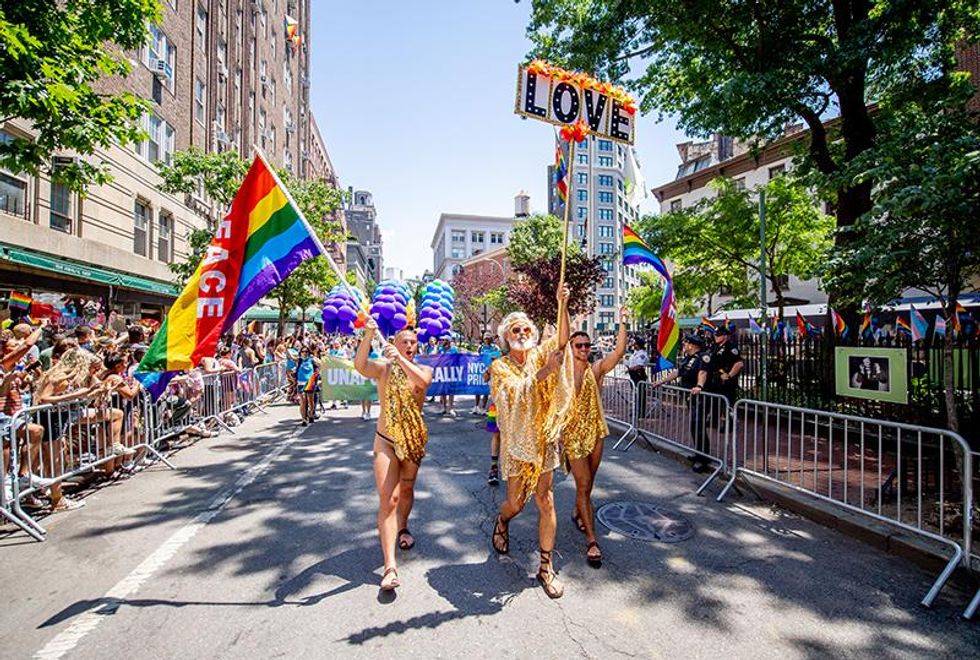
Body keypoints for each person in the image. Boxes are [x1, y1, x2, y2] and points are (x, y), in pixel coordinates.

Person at [490, 285, 572, 599]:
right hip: (515, 445)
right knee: (516, 503)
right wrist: (544, 373)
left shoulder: (540, 353)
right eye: (515, 329)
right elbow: (512, 392)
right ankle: (502, 519)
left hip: (544, 440)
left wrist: (561, 304)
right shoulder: (500, 366)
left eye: (526, 328)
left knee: (546, 500)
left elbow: (562, 341)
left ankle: (545, 567)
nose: (521, 333)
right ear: (506, 336)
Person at [354, 317, 433, 592]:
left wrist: (400, 358)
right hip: (385, 440)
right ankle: (390, 567)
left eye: (413, 342)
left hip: (413, 442)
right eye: (404, 342)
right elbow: (361, 366)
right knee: (390, 499)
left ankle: (403, 527)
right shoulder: (385, 369)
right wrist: (368, 335)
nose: (409, 345)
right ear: (394, 344)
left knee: (407, 491)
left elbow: (422, 381)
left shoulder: (422, 369)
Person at [564, 306, 629, 567]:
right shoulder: (563, 374)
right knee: (582, 484)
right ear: (570, 347)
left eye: (586, 345)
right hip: (572, 435)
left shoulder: (596, 369)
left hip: (596, 433)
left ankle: (579, 511)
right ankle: (592, 540)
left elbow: (620, 352)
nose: (583, 349)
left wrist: (622, 321)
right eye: (578, 345)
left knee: (589, 483)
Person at [656, 334, 712, 472]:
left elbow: (703, 372)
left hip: (700, 397)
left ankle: (703, 459)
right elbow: (677, 372)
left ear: (692, 345)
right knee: (695, 426)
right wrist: (661, 381)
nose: (684, 345)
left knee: (698, 425)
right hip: (690, 398)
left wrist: (699, 386)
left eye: (686, 343)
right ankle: (699, 453)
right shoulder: (688, 358)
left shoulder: (703, 357)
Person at [707, 326, 743, 409]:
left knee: (729, 407)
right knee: (714, 408)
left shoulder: (731, 347)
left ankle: (730, 421)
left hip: (726, 384)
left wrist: (729, 375)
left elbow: (739, 363)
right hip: (715, 382)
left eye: (718, 335)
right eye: (715, 334)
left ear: (725, 336)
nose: (716, 336)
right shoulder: (714, 347)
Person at [474, 332, 499, 415]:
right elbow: (476, 358)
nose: (487, 339)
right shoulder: (480, 347)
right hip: (480, 370)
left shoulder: (494, 348)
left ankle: (483, 408)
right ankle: (476, 406)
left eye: (488, 338)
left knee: (486, 390)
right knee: (477, 389)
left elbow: (497, 357)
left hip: (489, 371)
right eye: (485, 338)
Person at [295, 346, 320, 426]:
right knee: (303, 401)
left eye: (306, 352)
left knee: (310, 401)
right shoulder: (299, 360)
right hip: (300, 383)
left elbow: (320, 364)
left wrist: (314, 358)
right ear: (300, 352)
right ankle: (304, 419)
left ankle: (311, 414)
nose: (304, 353)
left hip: (310, 382)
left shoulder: (311, 360)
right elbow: (291, 357)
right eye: (303, 351)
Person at [438, 337, 458, 417]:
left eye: (445, 340)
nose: (443, 341)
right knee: (443, 390)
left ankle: (451, 408)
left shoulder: (454, 350)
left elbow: (458, 359)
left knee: (451, 391)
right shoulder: (440, 350)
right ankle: (443, 407)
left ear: (449, 341)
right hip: (442, 372)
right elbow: (437, 359)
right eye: (442, 340)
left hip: (451, 372)